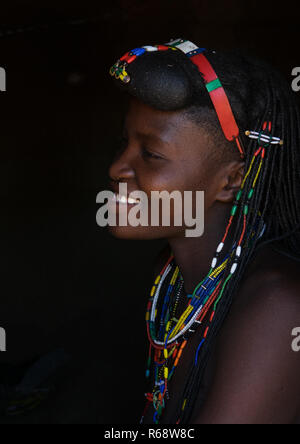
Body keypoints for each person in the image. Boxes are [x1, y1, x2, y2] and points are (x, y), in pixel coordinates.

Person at [107, 39, 300, 424]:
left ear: (233, 180)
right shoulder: (176, 284)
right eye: (124, 143)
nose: (117, 169)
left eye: (151, 154)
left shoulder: (278, 310)